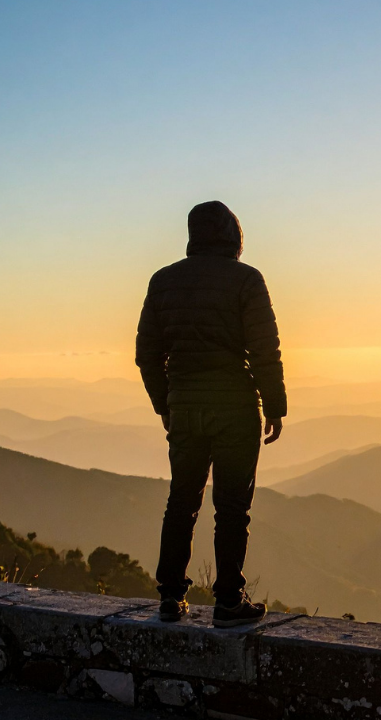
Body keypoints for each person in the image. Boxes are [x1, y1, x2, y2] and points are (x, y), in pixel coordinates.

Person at [135, 200, 286, 627]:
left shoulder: (163, 281)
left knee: (181, 501)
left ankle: (169, 597)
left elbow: (147, 354)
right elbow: (263, 350)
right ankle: (228, 602)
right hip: (235, 408)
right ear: (234, 237)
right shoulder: (247, 280)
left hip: (184, 408)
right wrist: (274, 405)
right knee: (232, 507)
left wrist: (166, 403)